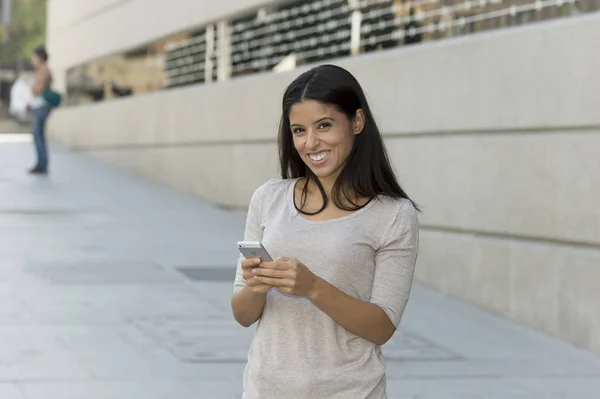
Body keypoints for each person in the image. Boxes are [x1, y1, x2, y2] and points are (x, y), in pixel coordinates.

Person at [231, 64, 420, 399]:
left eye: (324, 125)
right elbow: (243, 315)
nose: (311, 142)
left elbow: (382, 327)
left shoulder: (393, 215)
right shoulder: (268, 198)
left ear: (357, 122)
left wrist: (312, 287)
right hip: (265, 390)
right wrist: (256, 287)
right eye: (299, 130)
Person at [28, 45, 53, 175]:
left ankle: (41, 165)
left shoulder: (43, 70)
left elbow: (38, 89)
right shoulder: (42, 70)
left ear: (40, 57)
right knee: (39, 136)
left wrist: (32, 88)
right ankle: (41, 163)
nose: (32, 59)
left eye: (34, 56)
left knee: (38, 136)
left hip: (41, 106)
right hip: (40, 106)